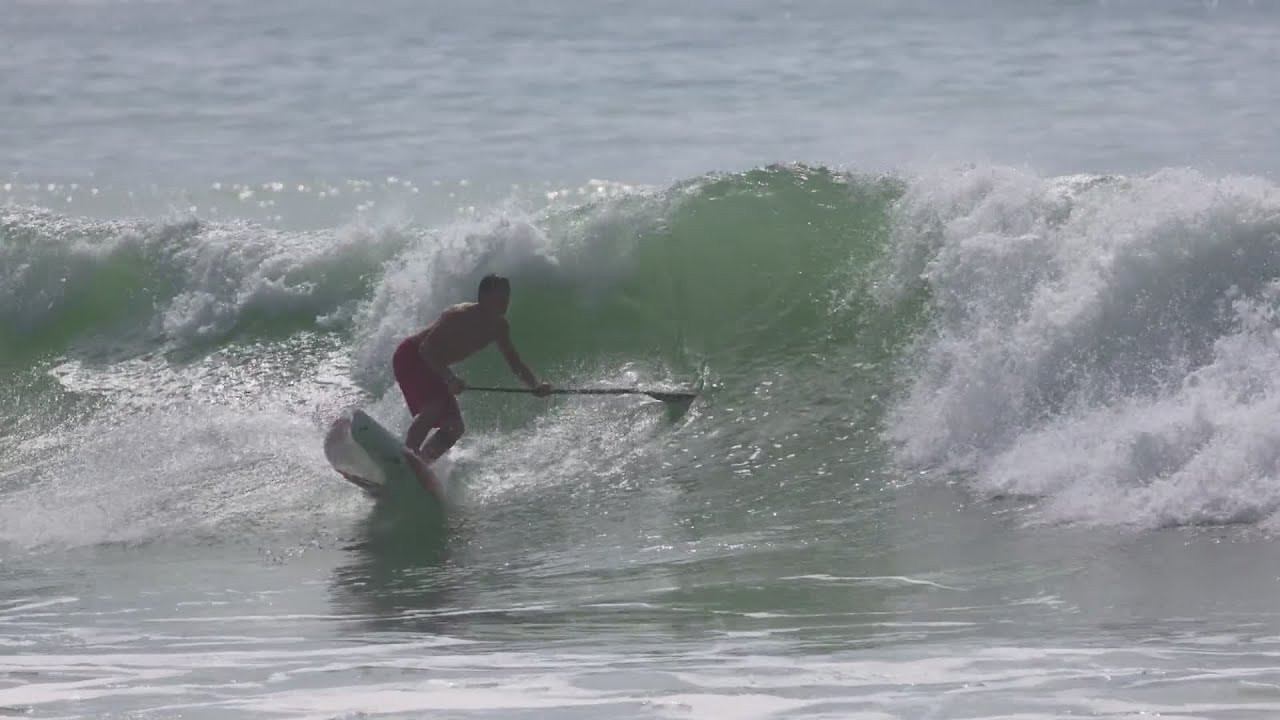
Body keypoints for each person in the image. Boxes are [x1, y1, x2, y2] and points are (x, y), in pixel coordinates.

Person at [392, 274, 551, 465]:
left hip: (434, 367)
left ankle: (421, 464)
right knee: (433, 408)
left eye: (507, 296)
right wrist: (450, 378)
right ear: (484, 297)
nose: (506, 301)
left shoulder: (499, 327)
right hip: (411, 356)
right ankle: (406, 457)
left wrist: (535, 385)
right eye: (500, 296)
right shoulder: (458, 315)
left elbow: (515, 363)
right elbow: (426, 349)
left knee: (455, 427)